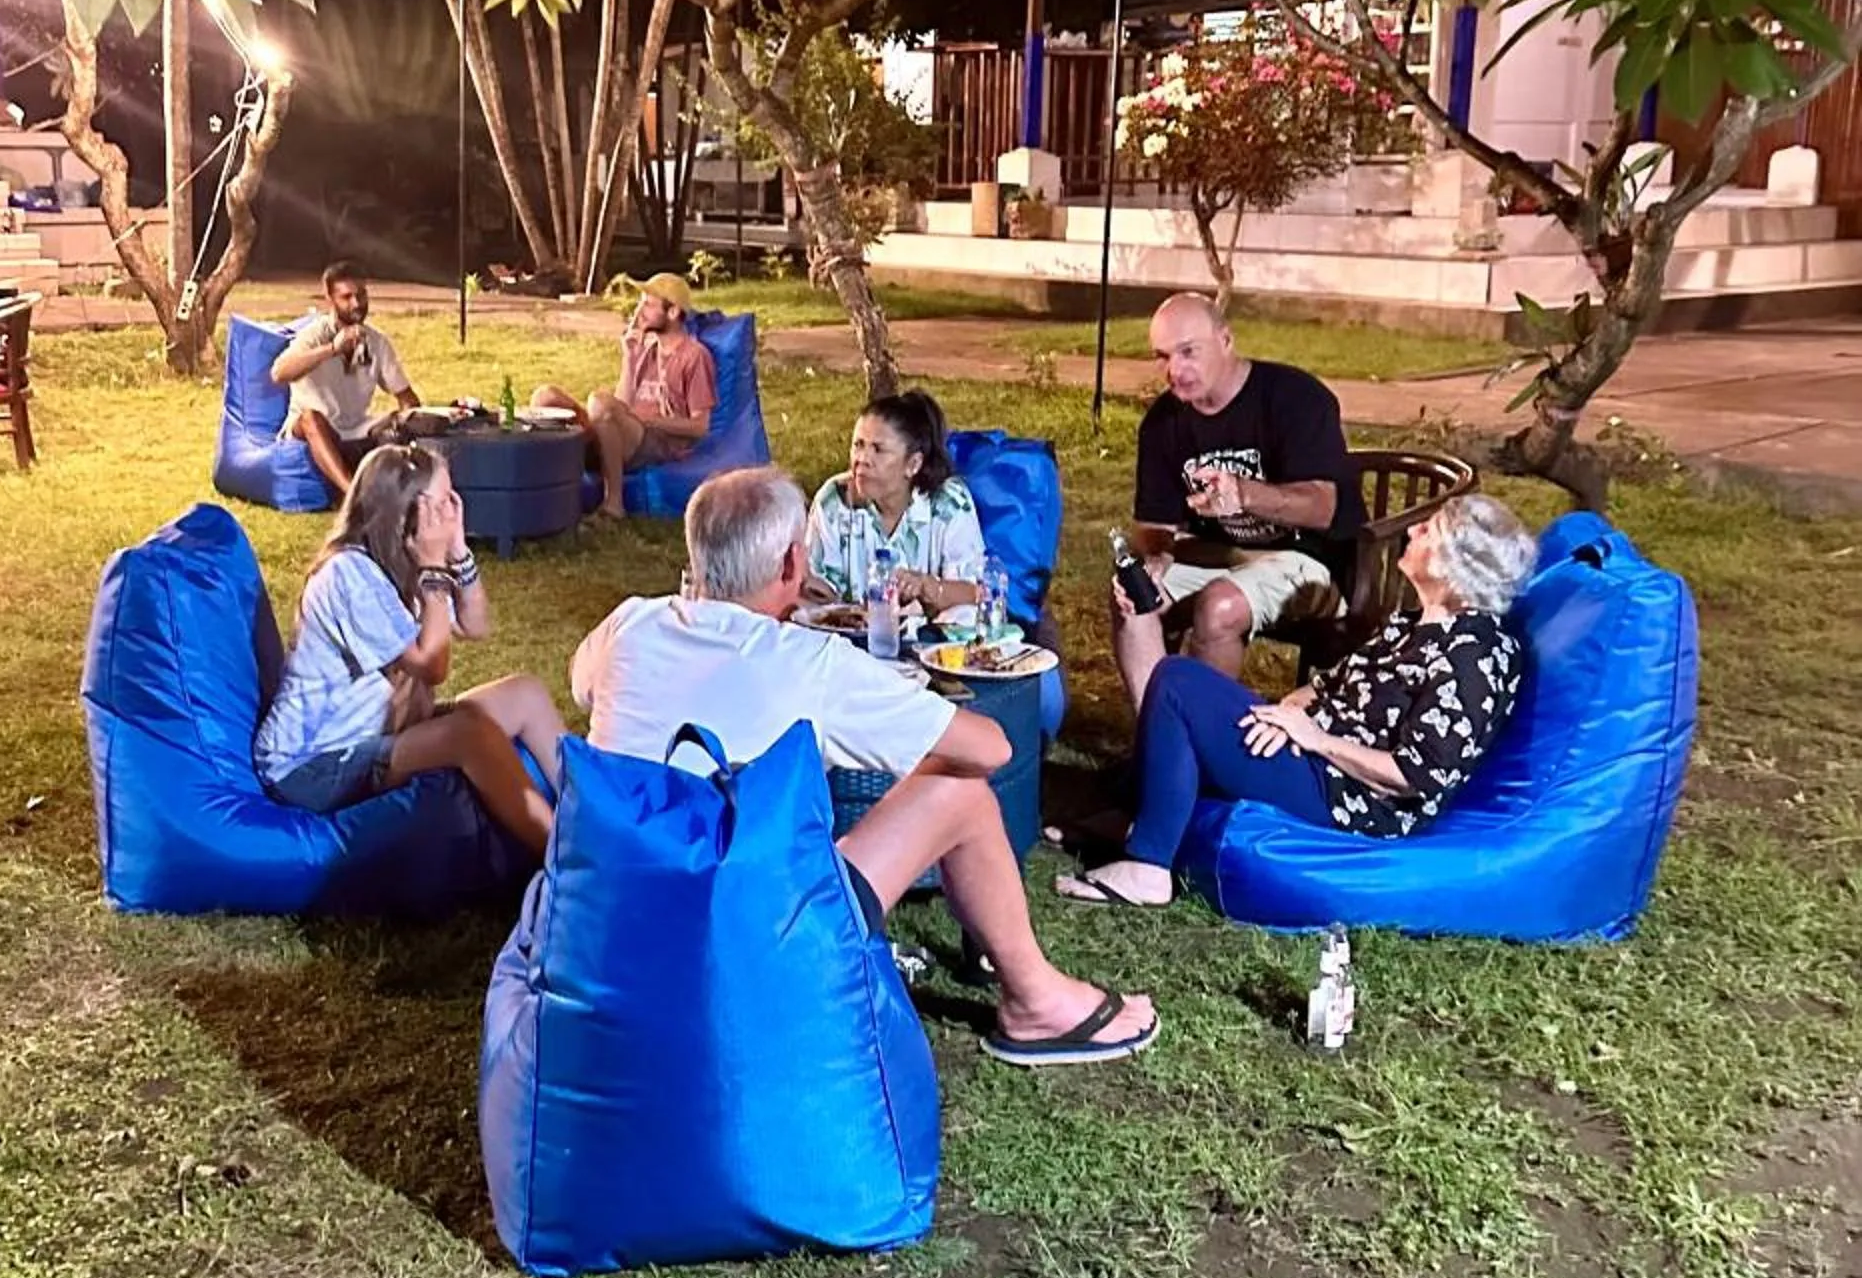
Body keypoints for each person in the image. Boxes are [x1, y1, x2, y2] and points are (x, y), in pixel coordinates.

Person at [571, 466, 1156, 1067]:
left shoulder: (629, 625)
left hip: (616, 923)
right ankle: (1035, 1001)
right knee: (961, 791)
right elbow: (991, 750)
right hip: (744, 944)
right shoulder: (811, 664)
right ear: (792, 564)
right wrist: (895, 730)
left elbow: (585, 689)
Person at [1060, 493, 1536, 910]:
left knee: (1178, 683)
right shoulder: (1410, 624)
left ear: (1455, 566)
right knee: (1187, 698)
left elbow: (1415, 776)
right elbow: (1327, 687)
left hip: (1350, 797)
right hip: (1313, 753)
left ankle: (1148, 867)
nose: (1411, 531)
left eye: (1428, 531)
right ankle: (1132, 817)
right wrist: (1287, 714)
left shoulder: (1475, 657)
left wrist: (1316, 739)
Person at [255, 441, 564, 856]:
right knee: (469, 735)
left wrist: (458, 551)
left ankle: (596, 812)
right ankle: (561, 854)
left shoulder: (406, 559)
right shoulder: (347, 575)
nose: (450, 512)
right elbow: (432, 666)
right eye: (442, 503)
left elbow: (476, 625)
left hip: (378, 733)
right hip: (313, 765)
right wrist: (435, 569)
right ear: (404, 515)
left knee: (525, 693)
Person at [1116, 294, 1361, 705]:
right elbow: (1155, 524)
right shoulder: (1163, 422)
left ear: (1226, 340)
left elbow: (1323, 508)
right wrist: (1154, 558)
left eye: (1188, 352)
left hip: (1307, 560)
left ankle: (1202, 735)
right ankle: (1156, 729)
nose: (1175, 370)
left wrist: (1245, 493)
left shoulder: (1295, 399)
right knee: (1133, 596)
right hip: (1217, 555)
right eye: (1162, 357)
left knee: (1220, 606)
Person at [531, 273, 717, 520]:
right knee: (545, 397)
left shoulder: (694, 356)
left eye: (648, 305)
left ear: (672, 312)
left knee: (600, 402)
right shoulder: (646, 350)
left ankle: (613, 504)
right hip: (626, 434)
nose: (639, 312)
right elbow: (621, 405)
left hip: (656, 442)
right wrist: (630, 357)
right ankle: (541, 494)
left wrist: (648, 421)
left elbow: (700, 427)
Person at [805, 389, 986, 621]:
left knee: (965, 615)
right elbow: (817, 591)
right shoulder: (835, 500)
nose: (862, 459)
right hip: (848, 636)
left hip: (931, 638)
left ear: (913, 464)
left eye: (878, 449)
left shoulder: (949, 503)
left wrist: (927, 587)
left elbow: (976, 592)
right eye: (858, 445)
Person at [270, 263, 421, 494]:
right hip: (314, 429)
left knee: (399, 420)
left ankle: (406, 487)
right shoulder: (314, 336)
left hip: (357, 429)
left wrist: (409, 419)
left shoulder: (376, 341)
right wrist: (332, 349)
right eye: (347, 297)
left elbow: (406, 397)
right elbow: (279, 373)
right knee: (310, 418)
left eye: (361, 295)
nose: (357, 304)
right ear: (330, 299)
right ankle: (351, 493)